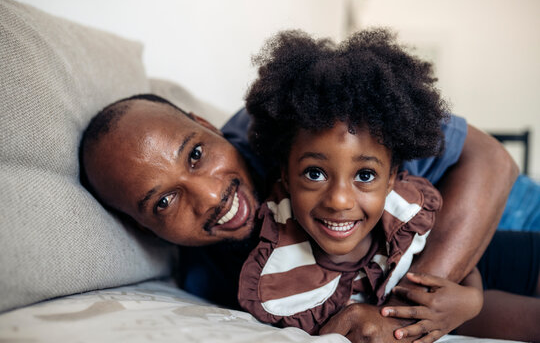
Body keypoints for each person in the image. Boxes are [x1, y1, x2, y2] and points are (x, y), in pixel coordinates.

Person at [79, 36, 535, 342]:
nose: (210, 196)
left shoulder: (300, 120)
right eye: (163, 201)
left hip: (497, 208)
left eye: (196, 154)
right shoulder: (218, 279)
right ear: (140, 226)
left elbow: (493, 160)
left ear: (205, 126)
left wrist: (401, 311)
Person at [238, 28, 538, 342]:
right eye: (315, 173)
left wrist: (472, 300)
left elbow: (456, 254)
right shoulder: (276, 266)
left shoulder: (405, 208)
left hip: (487, 249)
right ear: (284, 175)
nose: (339, 200)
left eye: (364, 175)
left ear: (393, 177)